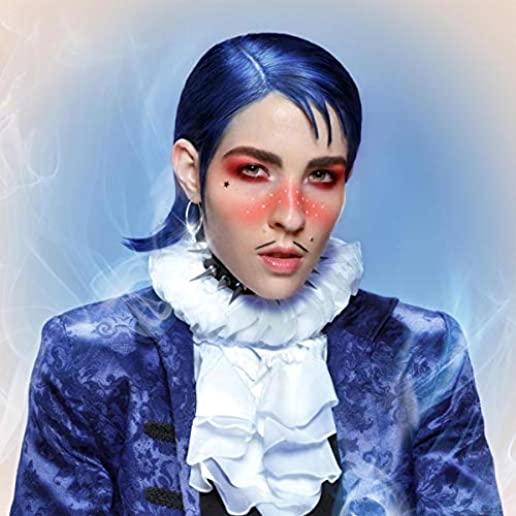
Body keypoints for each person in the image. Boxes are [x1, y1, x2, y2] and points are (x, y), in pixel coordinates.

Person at [10, 32, 503, 516]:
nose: (291, 215)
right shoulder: (89, 359)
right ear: (191, 171)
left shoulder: (421, 353)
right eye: (254, 170)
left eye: (321, 176)